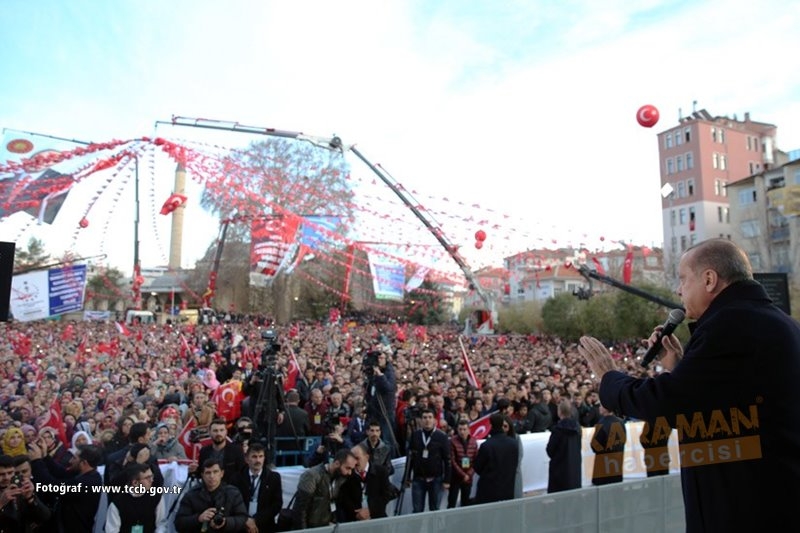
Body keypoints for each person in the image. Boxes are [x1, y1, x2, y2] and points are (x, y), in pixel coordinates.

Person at [579, 238, 800, 532]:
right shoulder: (778, 322)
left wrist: (609, 378)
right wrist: (679, 366)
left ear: (709, 280)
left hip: (746, 504)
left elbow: (667, 403)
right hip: (773, 495)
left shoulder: (730, 325)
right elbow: (718, 402)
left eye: (683, 279)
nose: (678, 290)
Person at [29, 443, 104, 532]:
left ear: (84, 463)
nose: (70, 461)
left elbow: (50, 486)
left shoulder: (86, 483)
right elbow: (62, 473)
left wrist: (36, 461)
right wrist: (45, 457)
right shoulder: (88, 475)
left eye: (75, 458)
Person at [175, 457, 248, 532]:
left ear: (222, 473)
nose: (212, 476)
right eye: (208, 473)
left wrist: (225, 522)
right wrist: (198, 518)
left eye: (215, 472)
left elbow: (242, 518)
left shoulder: (233, 493)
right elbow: (179, 523)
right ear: (202, 475)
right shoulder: (191, 495)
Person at [291, 448, 357, 529]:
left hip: (326, 525)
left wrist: (333, 521)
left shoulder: (340, 478)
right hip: (310, 527)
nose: (350, 473)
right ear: (336, 463)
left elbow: (332, 502)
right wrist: (304, 531)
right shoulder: (312, 475)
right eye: (348, 468)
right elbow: (300, 510)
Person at [407, 408, 451, 513]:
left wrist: (447, 480)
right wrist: (407, 476)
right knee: (417, 510)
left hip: (436, 479)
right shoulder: (415, 435)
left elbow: (447, 459)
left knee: (435, 510)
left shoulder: (442, 436)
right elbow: (410, 458)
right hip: (418, 479)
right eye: (425, 417)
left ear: (435, 420)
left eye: (430, 417)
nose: (427, 420)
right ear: (421, 420)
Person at [232, 442, 282, 533]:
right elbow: (233, 503)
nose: (258, 460)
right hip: (241, 525)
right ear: (246, 459)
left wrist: (256, 520)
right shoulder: (237, 478)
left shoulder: (274, 478)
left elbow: (277, 504)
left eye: (261, 456)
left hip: (265, 524)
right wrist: (246, 520)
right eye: (254, 457)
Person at [337, 445, 394, 522]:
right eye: (353, 459)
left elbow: (386, 494)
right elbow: (344, 498)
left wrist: (371, 510)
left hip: (377, 518)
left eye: (357, 458)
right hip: (355, 520)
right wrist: (357, 513)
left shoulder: (380, 471)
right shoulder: (347, 474)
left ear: (367, 457)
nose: (355, 462)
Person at [105, 463, 165, 533]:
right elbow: (112, 530)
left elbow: (161, 524)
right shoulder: (118, 503)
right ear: (135, 482)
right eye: (147, 478)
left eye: (152, 476)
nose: (151, 480)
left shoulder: (156, 497)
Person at [473, 413, 519, 504]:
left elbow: (477, 467)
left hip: (488, 489)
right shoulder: (513, 443)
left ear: (490, 425)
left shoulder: (486, 446)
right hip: (507, 488)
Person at [0, 454, 51, 532]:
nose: (6, 478)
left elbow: (45, 517)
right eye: (1, 474)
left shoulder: (22, 488)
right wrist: (1, 503)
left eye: (10, 473)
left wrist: (30, 498)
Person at [364, 350, 397, 455]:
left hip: (385, 412)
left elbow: (389, 388)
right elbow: (370, 393)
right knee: (372, 438)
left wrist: (380, 375)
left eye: (381, 358)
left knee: (386, 440)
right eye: (377, 358)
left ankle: (390, 461)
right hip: (375, 412)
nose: (379, 361)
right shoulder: (372, 373)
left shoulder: (389, 372)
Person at [192, 418, 245, 485]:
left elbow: (242, 473)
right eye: (215, 431)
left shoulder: (236, 450)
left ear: (226, 432)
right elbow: (201, 473)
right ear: (210, 432)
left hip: (230, 490)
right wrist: (193, 471)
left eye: (221, 430)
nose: (218, 433)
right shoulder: (204, 451)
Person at [545, 400, 581, 493]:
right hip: (574, 466)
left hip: (559, 467)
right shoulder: (577, 428)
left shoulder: (558, 429)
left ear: (559, 412)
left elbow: (550, 450)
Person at [590, 405, 626, 485]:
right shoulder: (620, 422)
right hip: (617, 464)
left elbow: (595, 445)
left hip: (603, 467)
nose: (599, 408)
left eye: (601, 406)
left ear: (606, 408)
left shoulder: (602, 423)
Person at [447, 419, 478, 508]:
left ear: (469, 430)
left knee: (465, 502)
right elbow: (452, 461)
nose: (462, 432)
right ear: (457, 429)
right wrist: (463, 474)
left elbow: (476, 460)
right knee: (452, 501)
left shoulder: (473, 441)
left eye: (464, 429)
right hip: (455, 477)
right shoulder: (452, 441)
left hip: (468, 476)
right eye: (460, 429)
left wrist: (469, 474)